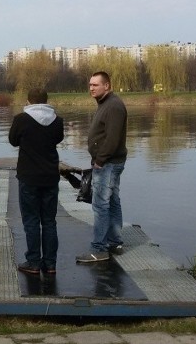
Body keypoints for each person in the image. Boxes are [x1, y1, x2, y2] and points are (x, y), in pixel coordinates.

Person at [8, 88, 64, 275]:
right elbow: (58, 138)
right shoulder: (57, 121)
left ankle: (33, 262)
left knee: (31, 220)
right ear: (46, 101)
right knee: (49, 221)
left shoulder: (21, 120)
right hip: (50, 177)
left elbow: (13, 141)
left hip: (28, 176)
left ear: (28, 101)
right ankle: (50, 264)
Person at [76, 71, 128, 263]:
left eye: (95, 85)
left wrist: (99, 161)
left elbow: (112, 139)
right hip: (110, 162)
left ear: (107, 86)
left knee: (100, 205)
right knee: (112, 201)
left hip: (107, 164)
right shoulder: (106, 104)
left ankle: (99, 249)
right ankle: (114, 242)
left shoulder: (113, 106)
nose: (91, 88)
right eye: (90, 85)